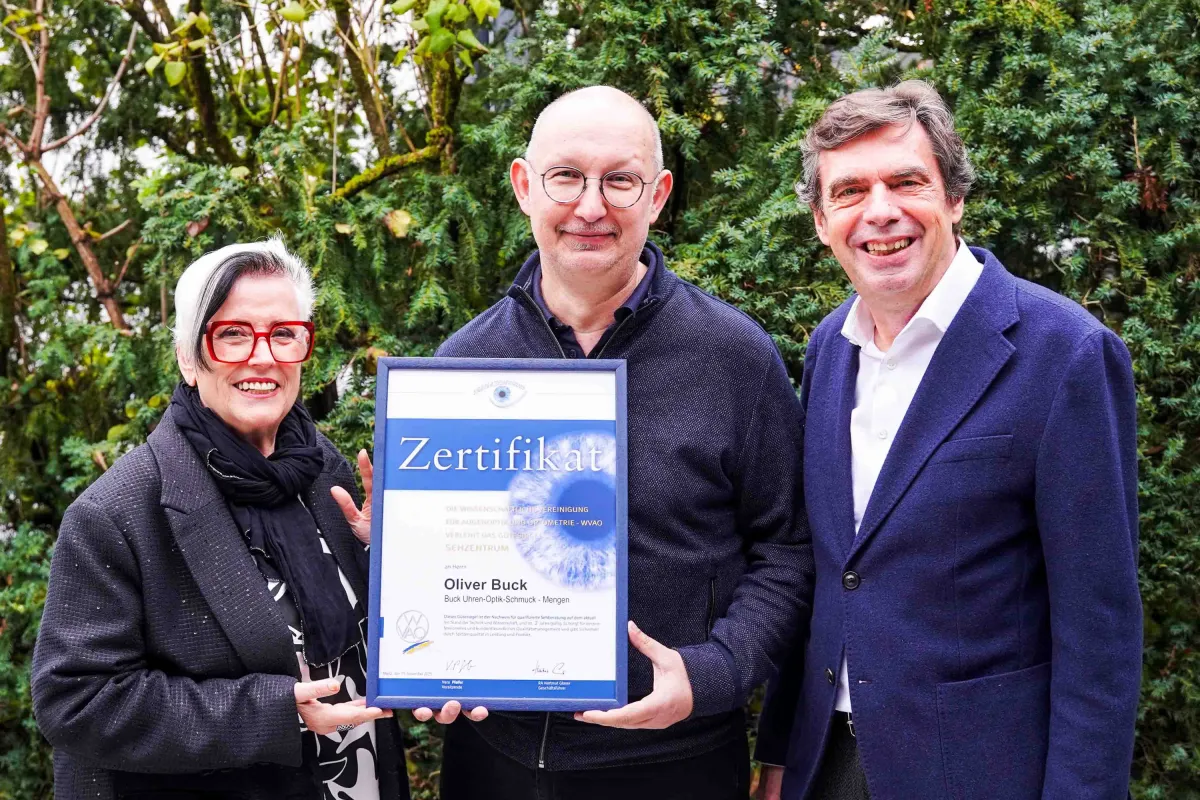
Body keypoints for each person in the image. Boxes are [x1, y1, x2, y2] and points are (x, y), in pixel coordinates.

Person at [754, 81, 1142, 800]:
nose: (881, 212)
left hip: (982, 772)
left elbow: (1101, 636)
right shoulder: (829, 350)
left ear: (954, 198)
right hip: (827, 765)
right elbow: (827, 574)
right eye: (850, 192)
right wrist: (779, 751)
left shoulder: (1066, 356)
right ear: (820, 219)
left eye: (907, 182)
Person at [426, 85, 815, 799]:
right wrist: (426, 650)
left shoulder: (734, 358)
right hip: (494, 763)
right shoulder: (460, 368)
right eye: (566, 176)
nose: (591, 206)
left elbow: (788, 549)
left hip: (677, 764)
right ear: (523, 186)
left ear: (658, 194)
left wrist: (715, 671)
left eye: (621, 179)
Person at [32, 240, 409, 800]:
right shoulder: (118, 513)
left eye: (284, 333)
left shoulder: (320, 466)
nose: (263, 356)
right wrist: (274, 711)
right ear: (189, 356)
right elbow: (77, 700)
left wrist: (385, 557)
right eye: (232, 334)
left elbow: (347, 634)